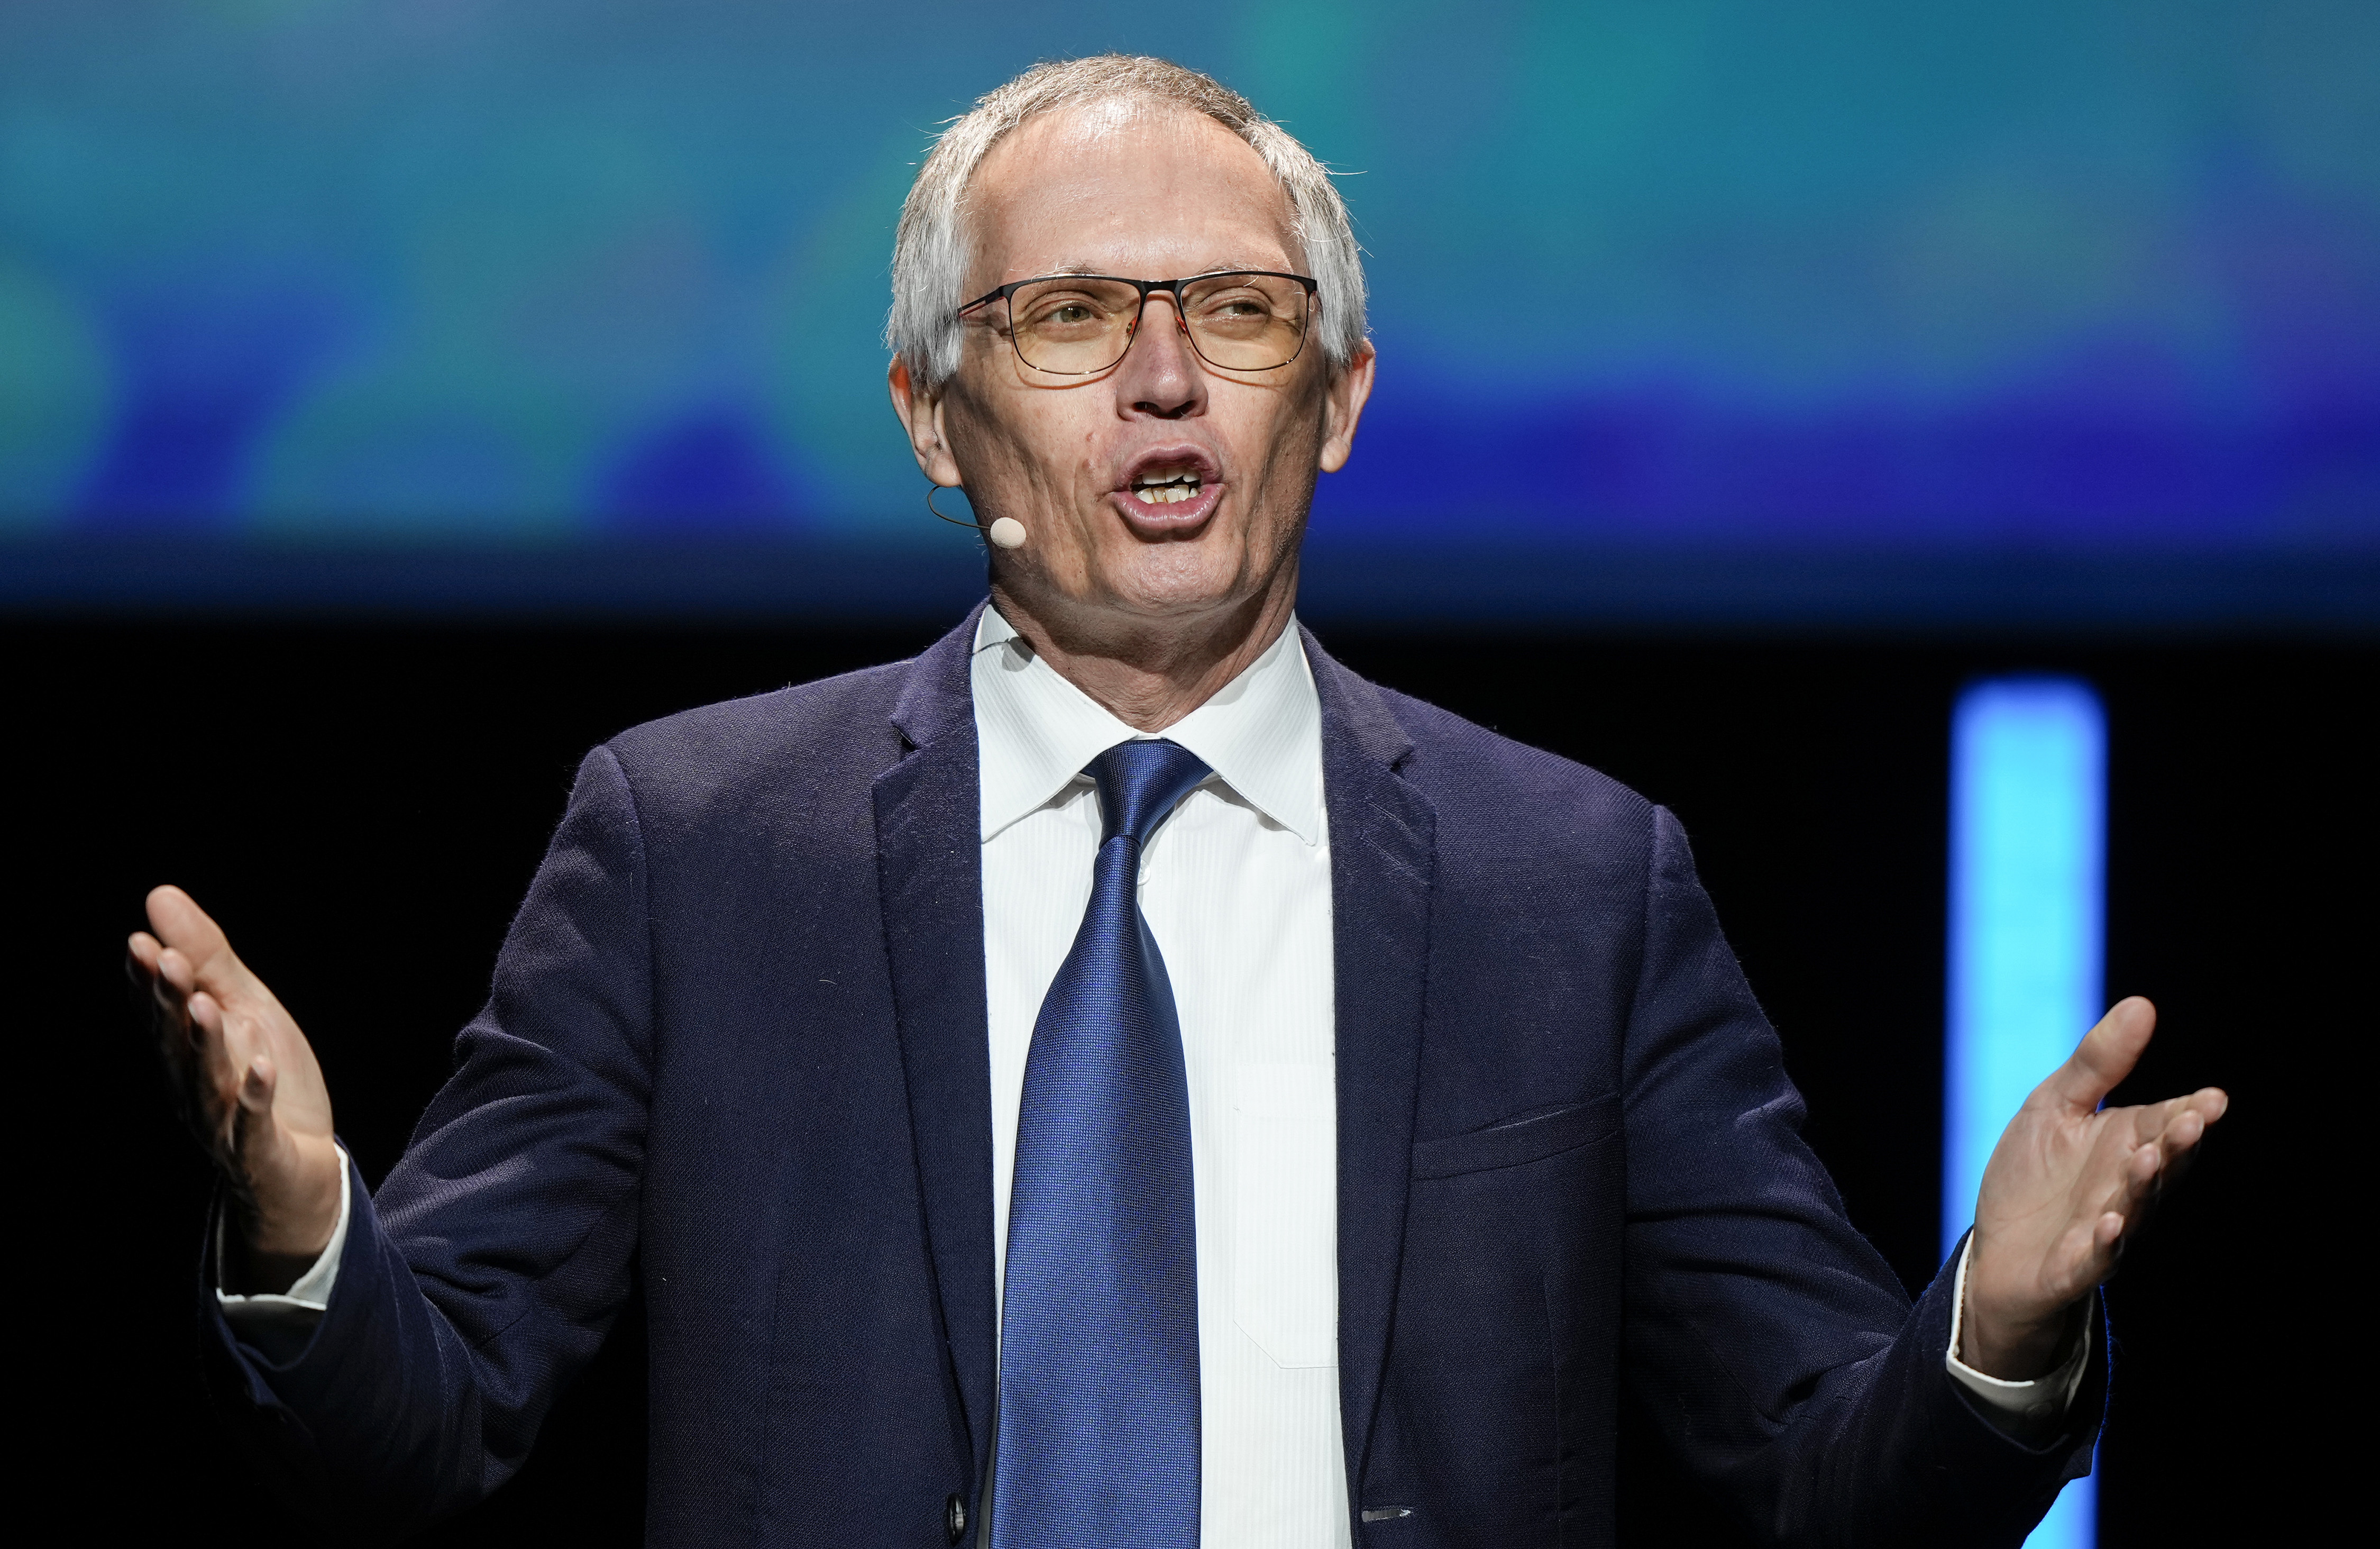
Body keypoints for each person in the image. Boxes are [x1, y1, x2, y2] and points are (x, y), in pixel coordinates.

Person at [130, 55, 2226, 1549]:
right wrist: (306, 1230)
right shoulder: (693, 843)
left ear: (1339, 400)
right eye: (1066, 317)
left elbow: (1824, 1478)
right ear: (934, 420)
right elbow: (423, 1435)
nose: (1162, 377)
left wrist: (1997, 1335)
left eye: (1236, 312)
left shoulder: (1570, 880)